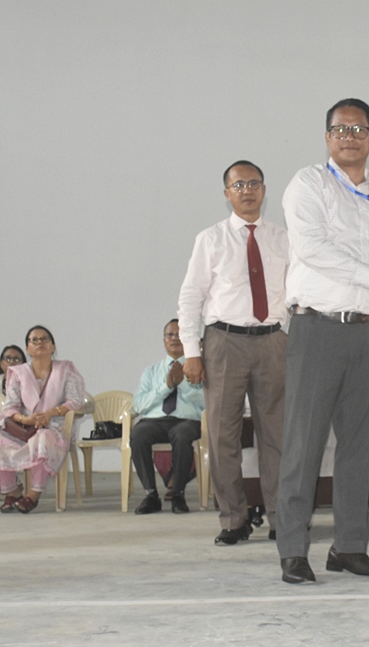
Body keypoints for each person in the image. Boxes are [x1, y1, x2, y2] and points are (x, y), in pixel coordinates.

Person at [276, 97, 369, 584]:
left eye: (359, 130)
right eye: (340, 129)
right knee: (304, 444)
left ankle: (350, 546)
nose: (350, 137)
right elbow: (313, 248)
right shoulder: (308, 184)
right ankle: (293, 550)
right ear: (327, 137)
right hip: (317, 328)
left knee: (360, 446)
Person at [178, 160, 288, 544]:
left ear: (264, 190)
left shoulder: (283, 238)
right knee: (223, 436)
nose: (247, 190)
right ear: (227, 194)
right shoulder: (210, 239)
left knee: (276, 434)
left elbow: (297, 292)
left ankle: (281, 519)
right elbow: (191, 296)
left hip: (273, 342)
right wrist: (191, 352)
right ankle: (233, 519)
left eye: (254, 183)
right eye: (238, 185)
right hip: (224, 343)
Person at [0, 325, 86, 513]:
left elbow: (75, 401)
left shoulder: (66, 370)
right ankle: (12, 491)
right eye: (34, 340)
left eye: (44, 339)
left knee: (43, 438)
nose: (39, 343)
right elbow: (10, 406)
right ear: (28, 349)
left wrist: (50, 413)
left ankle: (33, 494)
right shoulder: (19, 373)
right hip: (24, 426)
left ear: (53, 346)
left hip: (54, 426)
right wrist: (26, 419)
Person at [129, 319, 204, 515]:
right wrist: (166, 387)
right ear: (164, 340)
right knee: (138, 434)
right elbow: (138, 405)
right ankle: (151, 495)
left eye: (179, 335)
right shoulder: (151, 371)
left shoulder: (199, 369)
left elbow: (207, 402)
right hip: (155, 421)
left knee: (182, 435)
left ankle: (178, 494)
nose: (174, 339)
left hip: (187, 421)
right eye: (170, 335)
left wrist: (183, 384)